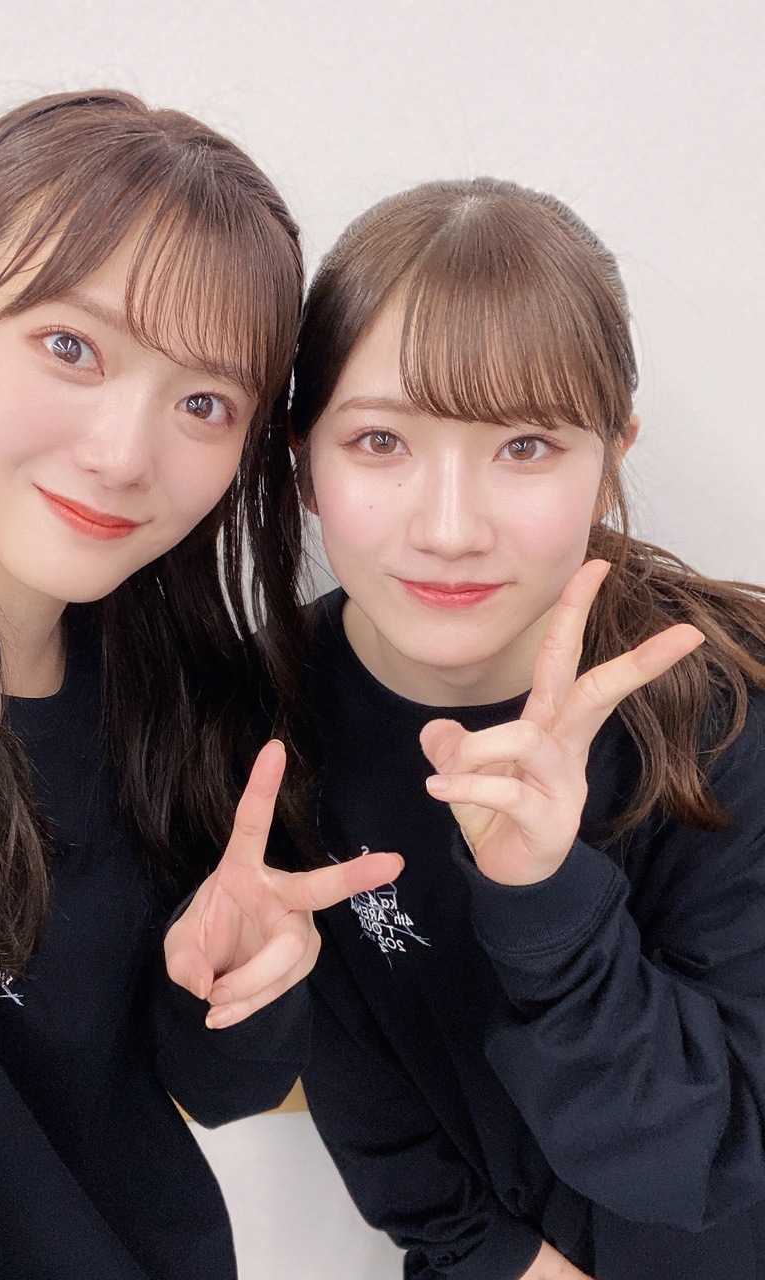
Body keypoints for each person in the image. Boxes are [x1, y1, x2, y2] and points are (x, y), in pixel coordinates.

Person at [0, 90, 401, 1279]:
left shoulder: (180, 693)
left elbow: (214, 1086)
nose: (124, 454)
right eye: (70, 347)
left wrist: (240, 980)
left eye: (203, 402)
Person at [277, 178, 765, 1278]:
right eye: (380, 440)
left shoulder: (729, 709)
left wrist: (544, 899)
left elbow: (705, 1162)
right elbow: (369, 1097)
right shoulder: (270, 718)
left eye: (527, 445)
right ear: (304, 458)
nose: (451, 528)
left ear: (612, 453)